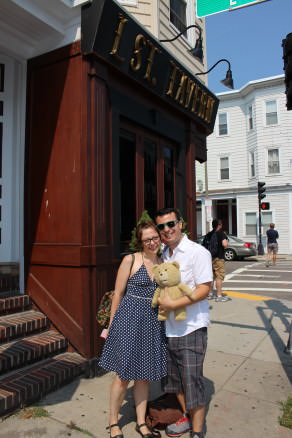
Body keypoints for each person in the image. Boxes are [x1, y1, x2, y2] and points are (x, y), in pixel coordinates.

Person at [99, 221, 167, 438]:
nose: (152, 242)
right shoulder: (131, 259)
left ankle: (141, 422)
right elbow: (117, 294)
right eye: (147, 239)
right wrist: (111, 326)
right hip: (127, 322)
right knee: (122, 376)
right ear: (140, 241)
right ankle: (113, 422)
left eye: (155, 237)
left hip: (152, 324)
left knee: (144, 377)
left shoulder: (163, 262)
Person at [154, 208, 212, 438]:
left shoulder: (197, 252)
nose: (167, 230)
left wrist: (174, 306)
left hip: (192, 327)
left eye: (171, 224)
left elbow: (204, 288)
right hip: (169, 329)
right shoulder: (164, 255)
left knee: (192, 382)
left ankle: (197, 432)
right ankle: (187, 417)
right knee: (174, 382)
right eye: (162, 227)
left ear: (180, 224)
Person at [207, 219, 229, 302]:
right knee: (219, 276)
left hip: (209, 258)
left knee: (211, 276)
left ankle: (210, 294)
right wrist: (226, 242)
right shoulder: (221, 233)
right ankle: (219, 295)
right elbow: (225, 244)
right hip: (218, 257)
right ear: (219, 225)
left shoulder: (209, 234)